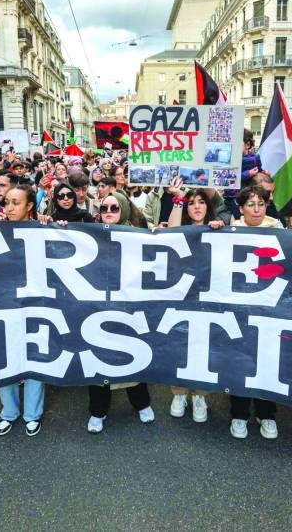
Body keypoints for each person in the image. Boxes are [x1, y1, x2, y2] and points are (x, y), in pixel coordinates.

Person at [87, 191, 154, 433]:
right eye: (104, 208)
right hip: (98, 308)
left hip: (129, 307)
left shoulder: (140, 236)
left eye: (115, 208)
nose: (109, 213)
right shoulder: (88, 236)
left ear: (124, 209)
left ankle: (141, 404)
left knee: (132, 356)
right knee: (99, 359)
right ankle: (98, 411)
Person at [223, 185, 283, 439]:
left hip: (270, 307)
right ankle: (239, 414)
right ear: (241, 208)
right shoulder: (230, 231)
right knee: (241, 359)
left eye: (261, 204)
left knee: (268, 359)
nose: (257, 209)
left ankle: (266, 413)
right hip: (240, 306)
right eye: (251, 204)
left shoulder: (281, 231)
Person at [165, 179, 224, 424]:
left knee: (203, 345)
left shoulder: (220, 226)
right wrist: (178, 197)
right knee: (180, 342)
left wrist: (220, 229)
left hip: (209, 294)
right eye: (191, 203)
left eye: (201, 202)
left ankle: (200, 395)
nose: (197, 207)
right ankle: (179, 393)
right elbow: (171, 232)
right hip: (182, 293)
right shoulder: (182, 225)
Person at [0, 184, 47, 437]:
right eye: (7, 202)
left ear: (30, 206)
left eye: (16, 202)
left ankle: (32, 414)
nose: (10, 207)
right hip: (4, 307)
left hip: (35, 306)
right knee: (5, 358)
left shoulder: (42, 230)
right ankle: (8, 412)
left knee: (34, 357)